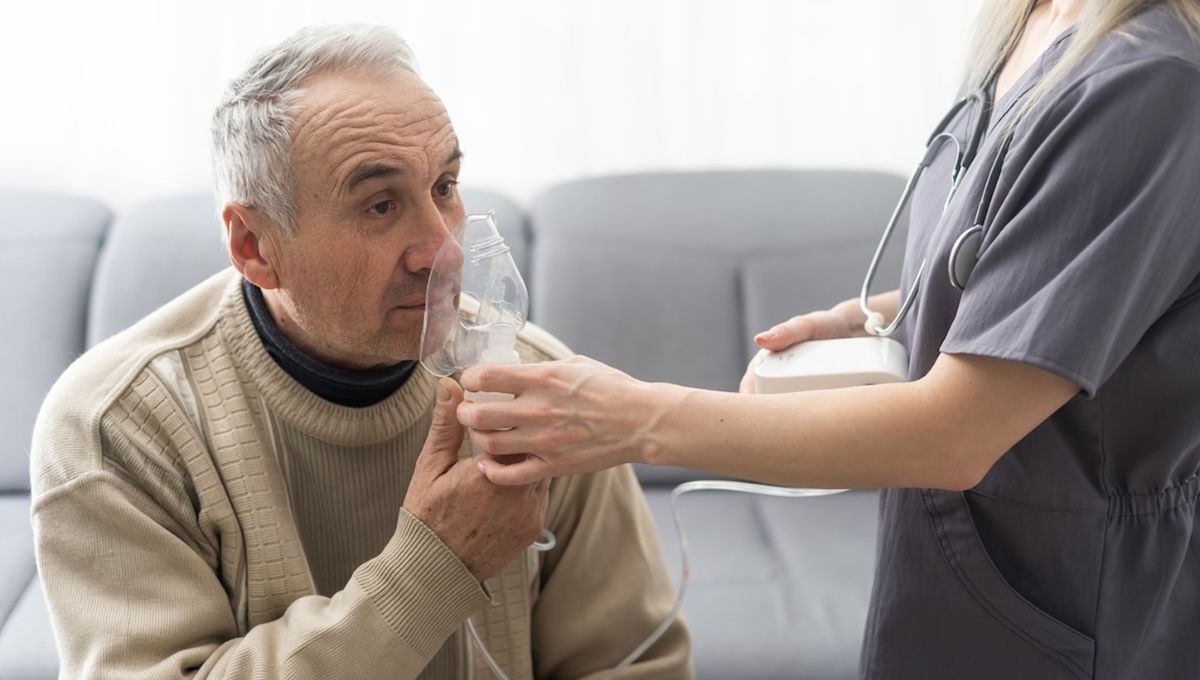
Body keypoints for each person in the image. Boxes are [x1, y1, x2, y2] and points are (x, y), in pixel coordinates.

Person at [454, 1, 1200, 678]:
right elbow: (1050, 263)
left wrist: (633, 420)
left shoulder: (1145, 83)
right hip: (950, 571)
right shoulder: (1025, 29)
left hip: (1069, 593)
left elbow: (958, 435)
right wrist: (883, 312)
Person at [29, 25, 691, 679]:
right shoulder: (117, 425)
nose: (445, 251)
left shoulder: (536, 390)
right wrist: (432, 569)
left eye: (444, 187)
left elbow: (638, 665)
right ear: (255, 247)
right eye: (379, 205)